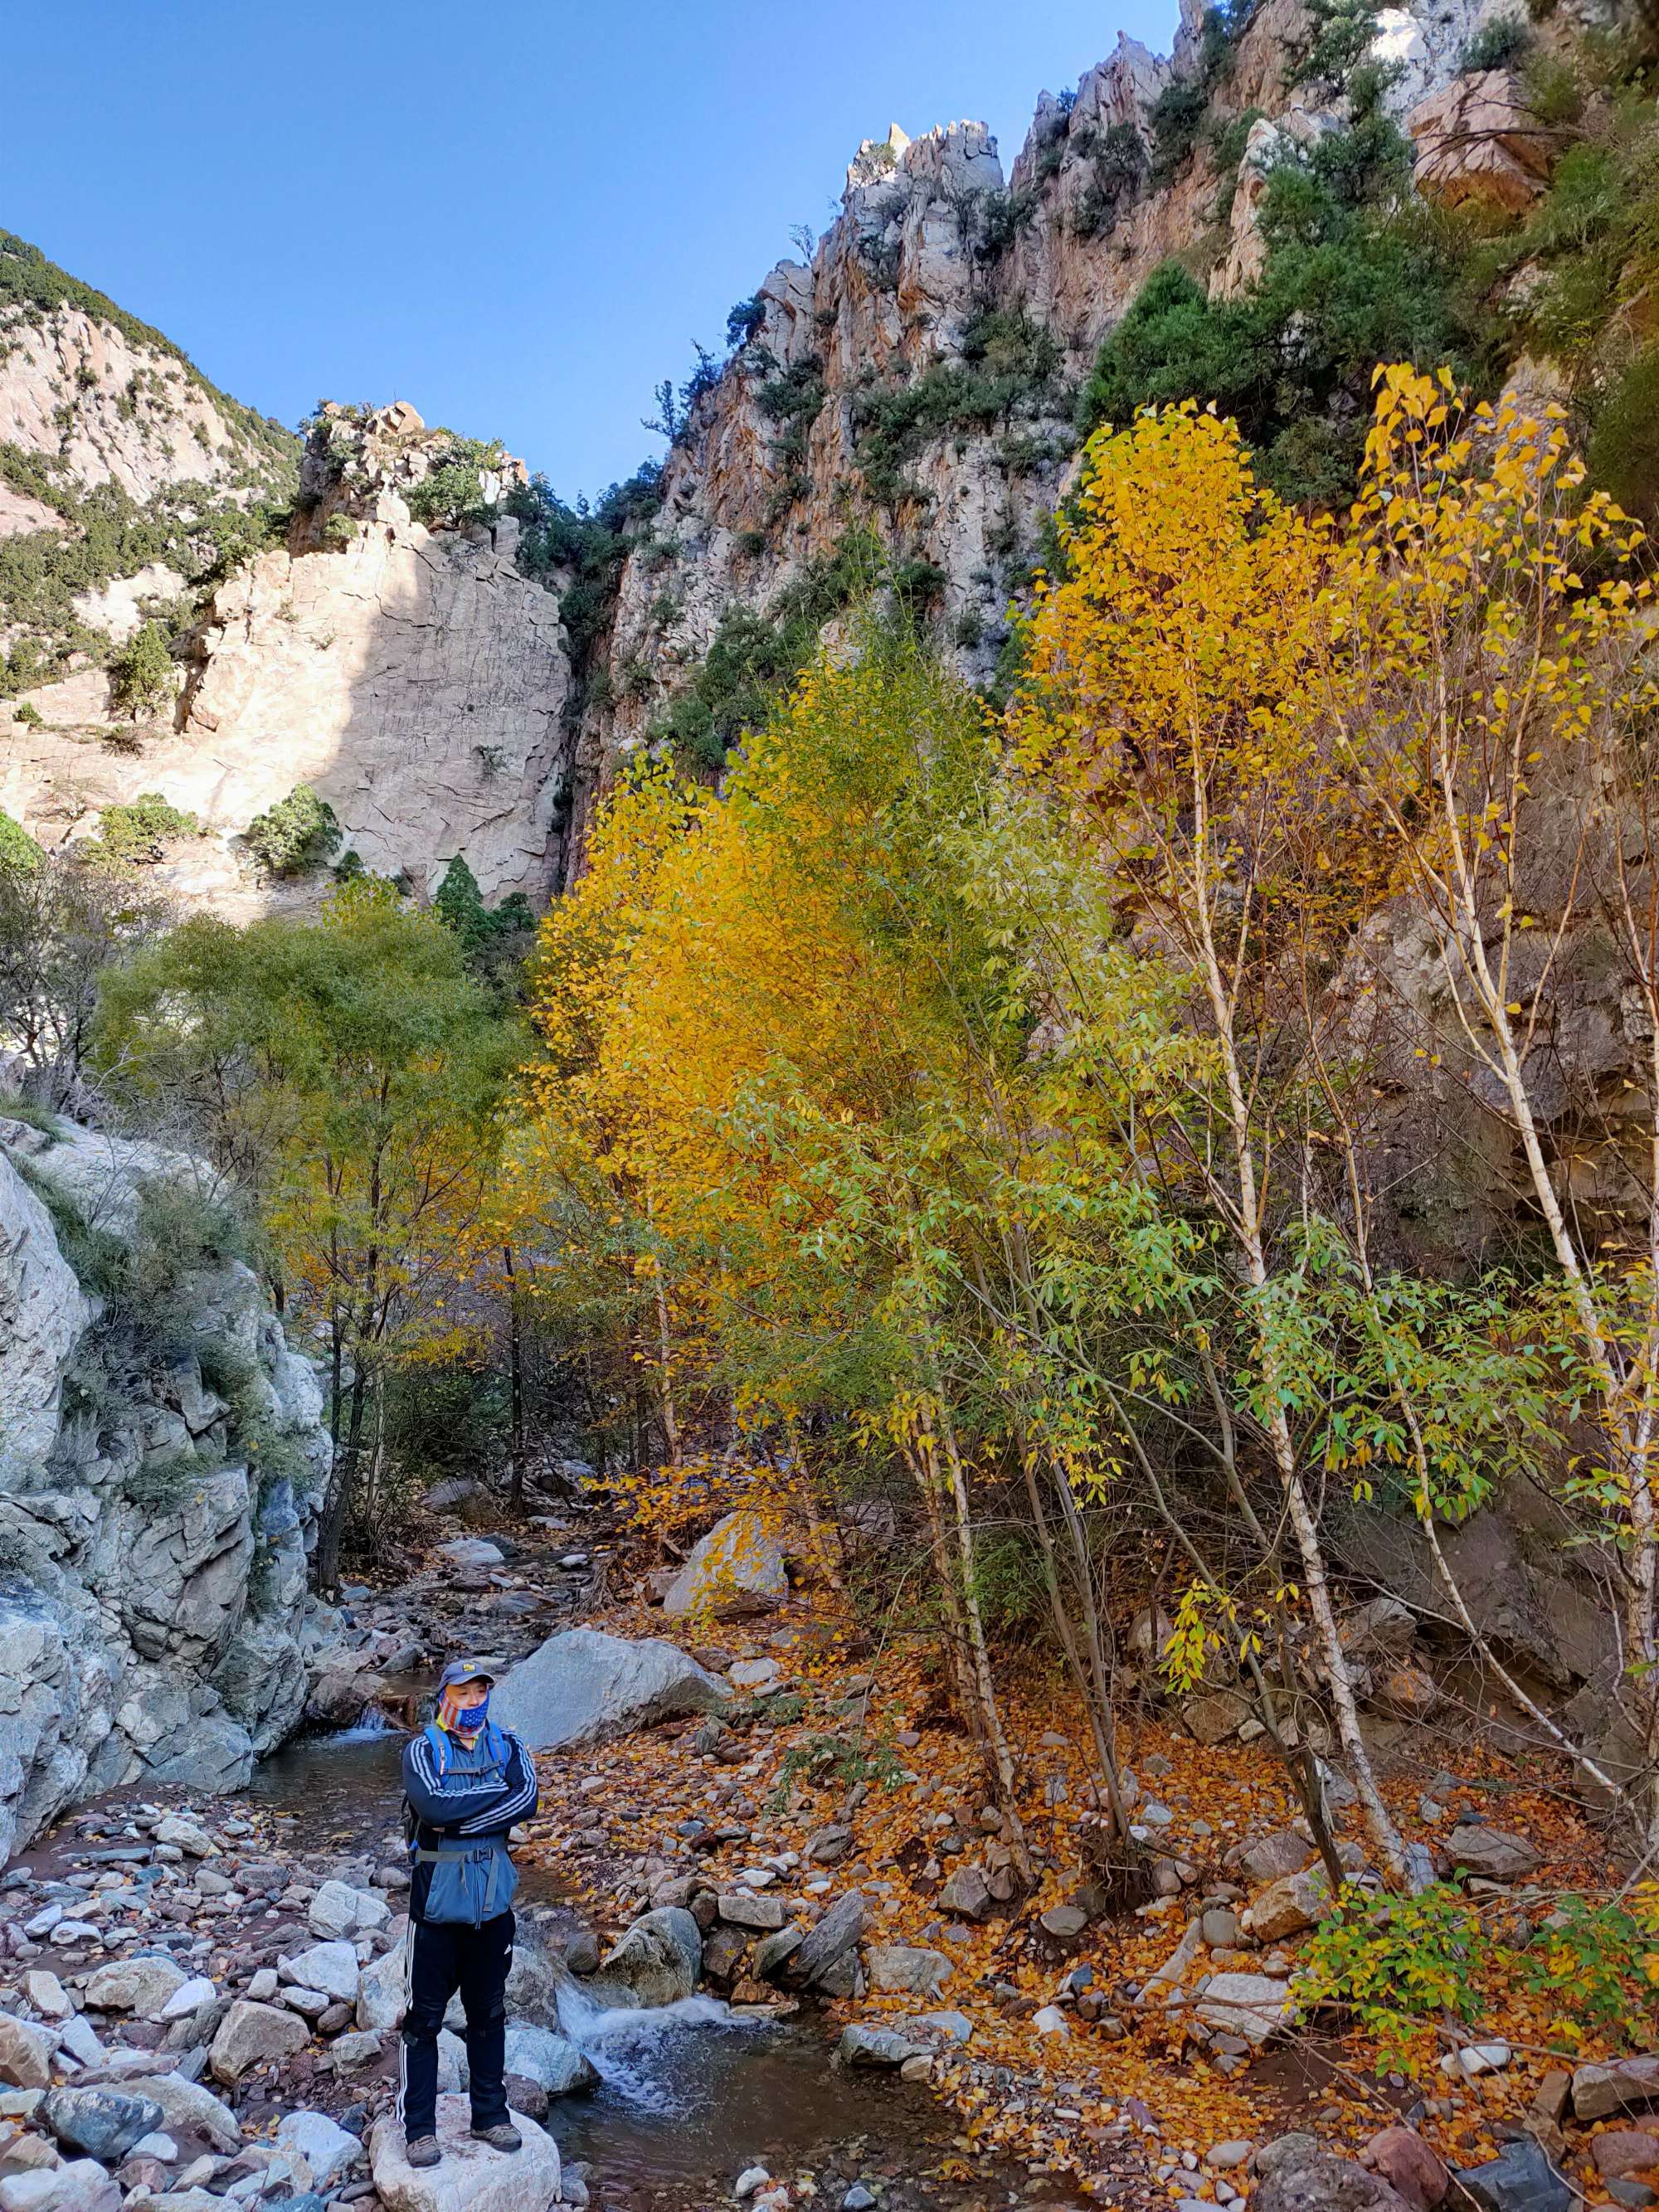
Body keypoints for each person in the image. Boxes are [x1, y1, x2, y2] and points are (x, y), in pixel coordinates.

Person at [397, 1656, 539, 2169]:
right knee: (422, 2021)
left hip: (492, 1907)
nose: (474, 1702)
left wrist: (465, 1816)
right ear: (444, 1697)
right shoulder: (420, 1751)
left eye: (480, 1692)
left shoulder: (511, 1745)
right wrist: (487, 1804)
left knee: (489, 2015)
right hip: (435, 1912)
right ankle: (418, 2130)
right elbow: (433, 1808)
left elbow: (526, 1799)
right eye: (463, 1693)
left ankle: (490, 2115)